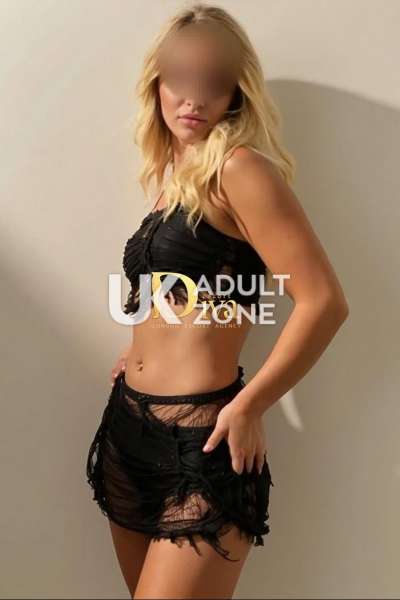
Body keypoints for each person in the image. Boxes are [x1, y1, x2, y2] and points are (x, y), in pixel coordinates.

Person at [86, 3, 349, 598]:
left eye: (213, 82)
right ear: (157, 83)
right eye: (180, 79)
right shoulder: (173, 180)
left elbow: (323, 301)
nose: (193, 98)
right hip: (128, 427)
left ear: (236, 90)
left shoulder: (241, 169)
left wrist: (252, 404)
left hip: (205, 439)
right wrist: (141, 349)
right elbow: (195, 293)